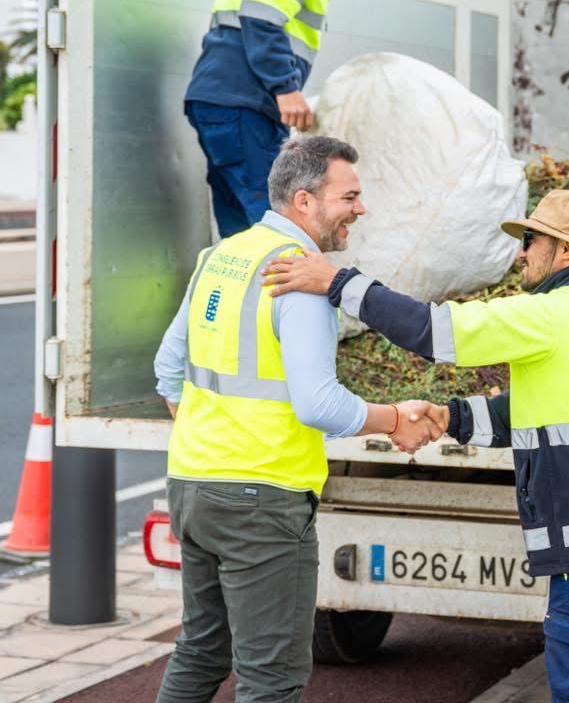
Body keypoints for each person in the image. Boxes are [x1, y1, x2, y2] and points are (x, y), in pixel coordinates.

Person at [263, 189, 569, 703]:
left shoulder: (547, 314)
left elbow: (434, 331)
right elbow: (540, 412)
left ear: (567, 251)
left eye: (531, 240)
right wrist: (449, 417)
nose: (521, 253)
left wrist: (339, 283)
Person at [153, 135, 439, 703]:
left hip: (193, 484)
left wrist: (216, 438)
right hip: (262, 500)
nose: (360, 209)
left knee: (201, 650)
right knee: (271, 678)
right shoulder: (299, 278)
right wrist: (395, 419)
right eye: (350, 196)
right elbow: (318, 404)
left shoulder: (221, 257)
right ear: (305, 201)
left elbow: (168, 368)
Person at [184, 0, 391, 238]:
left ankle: (242, 296)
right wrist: (285, 88)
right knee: (279, 223)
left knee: (241, 228)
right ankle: (280, 297)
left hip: (223, 98)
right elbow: (261, 16)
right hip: (243, 101)